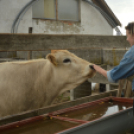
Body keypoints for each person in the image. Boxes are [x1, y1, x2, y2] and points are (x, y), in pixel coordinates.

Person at [93, 22, 134, 93]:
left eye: (127, 36)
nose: (127, 39)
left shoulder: (131, 54)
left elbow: (113, 76)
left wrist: (97, 68)